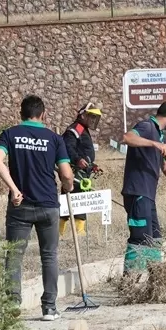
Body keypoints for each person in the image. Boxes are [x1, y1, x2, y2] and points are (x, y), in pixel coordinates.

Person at [0, 95, 74, 321]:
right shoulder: (55, 139)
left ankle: (11, 305)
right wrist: (68, 185)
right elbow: (66, 174)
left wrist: (14, 189)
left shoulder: (9, 134)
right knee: (49, 256)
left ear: (21, 113)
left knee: (14, 256)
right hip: (48, 204)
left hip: (20, 205)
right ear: (43, 114)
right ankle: (49, 308)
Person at [120, 100, 166, 272]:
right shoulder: (147, 127)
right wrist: (154, 144)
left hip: (148, 196)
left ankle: (155, 280)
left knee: (154, 239)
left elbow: (164, 166)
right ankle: (130, 284)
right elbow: (127, 137)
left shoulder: (159, 134)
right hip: (137, 193)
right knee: (141, 239)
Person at [60, 101, 103, 238]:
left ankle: (80, 231)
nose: (93, 120)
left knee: (81, 200)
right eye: (90, 116)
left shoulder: (83, 130)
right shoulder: (75, 129)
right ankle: (61, 232)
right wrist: (77, 159)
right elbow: (68, 147)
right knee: (70, 201)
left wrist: (92, 165)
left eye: (94, 117)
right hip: (74, 172)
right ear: (83, 115)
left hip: (84, 172)